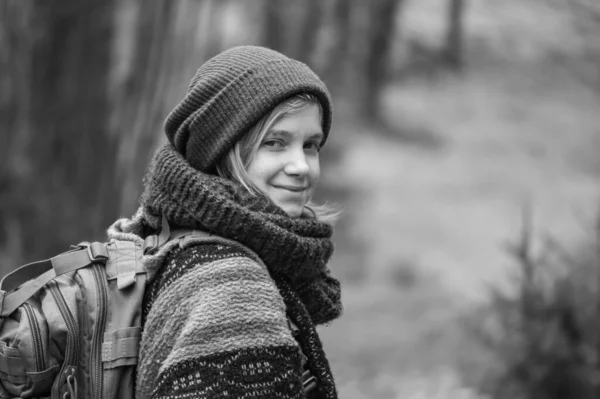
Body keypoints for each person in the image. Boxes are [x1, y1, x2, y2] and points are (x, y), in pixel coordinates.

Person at [107, 45, 343, 399]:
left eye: (311, 145)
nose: (302, 167)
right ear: (220, 150)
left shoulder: (169, 240)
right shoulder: (233, 285)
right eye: (275, 143)